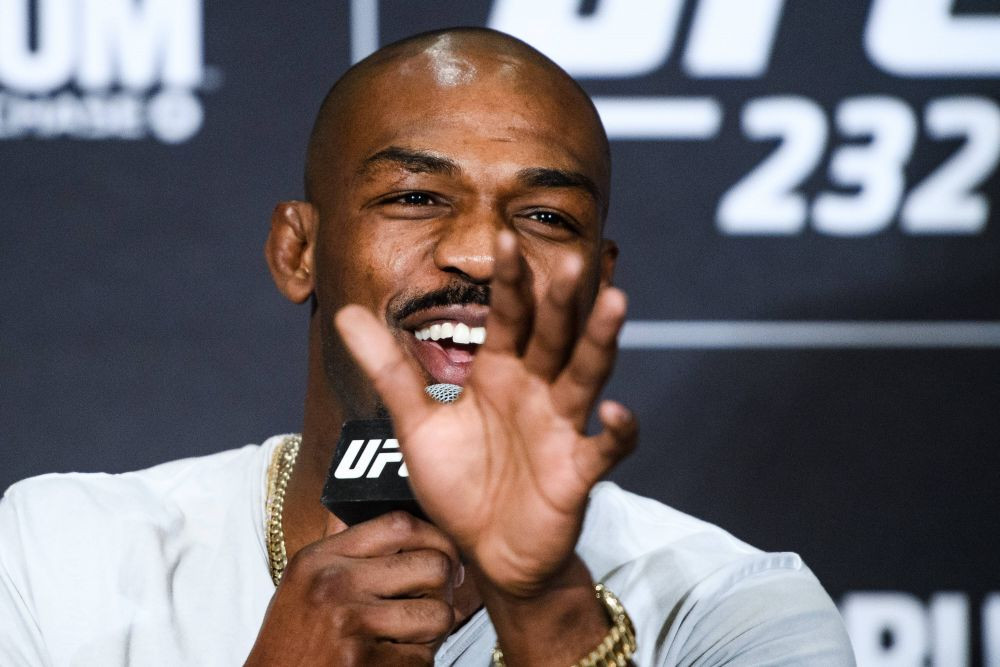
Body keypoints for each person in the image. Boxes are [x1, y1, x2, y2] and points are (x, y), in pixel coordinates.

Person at [0, 28, 854, 665]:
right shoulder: (58, 553)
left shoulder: (736, 609)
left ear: (597, 281)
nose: (482, 254)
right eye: (414, 197)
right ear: (299, 251)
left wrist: (546, 611)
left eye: (546, 216)